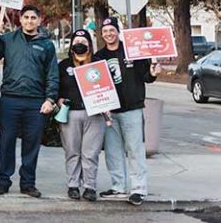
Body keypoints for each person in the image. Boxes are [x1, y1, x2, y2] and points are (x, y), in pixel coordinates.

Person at [0, 4, 59, 198]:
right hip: (10, 100)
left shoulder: (47, 45)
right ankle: (2, 181)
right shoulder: (8, 40)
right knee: (6, 142)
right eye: (26, 18)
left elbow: (52, 74)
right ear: (20, 19)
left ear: (39, 20)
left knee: (31, 144)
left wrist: (50, 99)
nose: (29, 21)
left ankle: (28, 183)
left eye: (33, 18)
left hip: (36, 102)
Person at [94, 17, 161, 206]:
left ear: (118, 31)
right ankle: (118, 186)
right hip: (109, 111)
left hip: (132, 108)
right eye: (105, 31)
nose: (108, 34)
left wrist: (154, 73)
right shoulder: (99, 56)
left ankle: (138, 188)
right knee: (113, 151)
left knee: (135, 150)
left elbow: (146, 76)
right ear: (102, 34)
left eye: (112, 30)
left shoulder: (134, 51)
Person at [57, 29, 105, 202]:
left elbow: (108, 87)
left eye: (84, 42)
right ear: (71, 46)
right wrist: (58, 100)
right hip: (71, 114)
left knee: (90, 152)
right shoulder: (63, 65)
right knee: (72, 151)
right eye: (76, 41)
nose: (80, 44)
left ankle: (90, 186)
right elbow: (55, 86)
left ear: (90, 45)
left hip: (95, 114)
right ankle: (73, 185)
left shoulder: (99, 64)